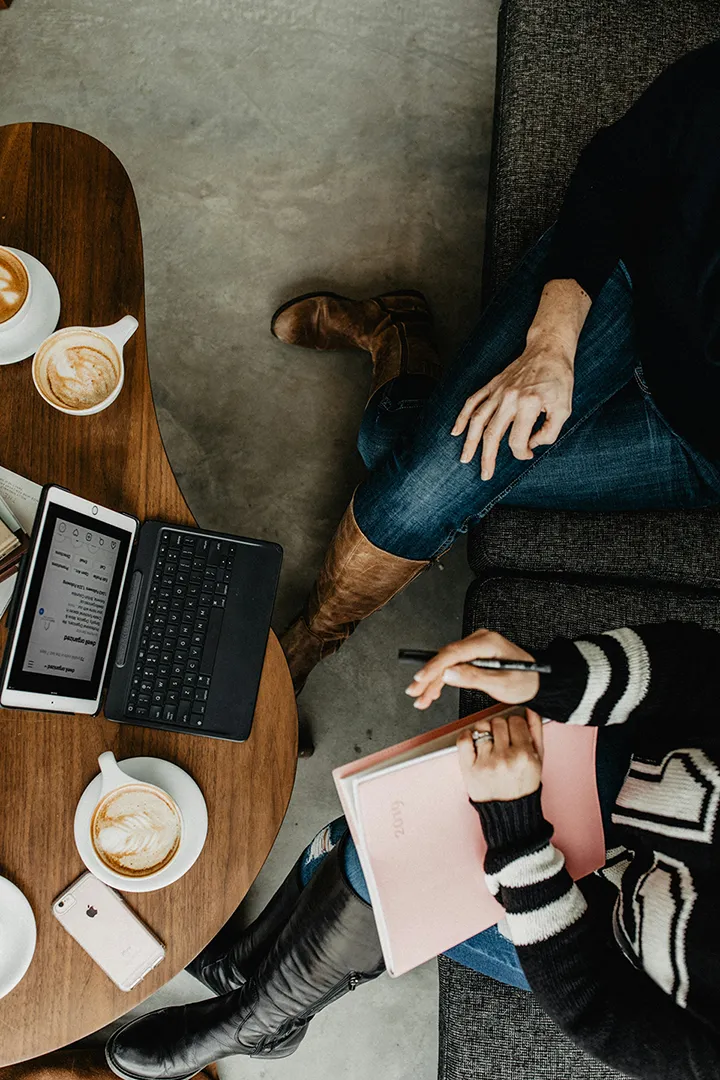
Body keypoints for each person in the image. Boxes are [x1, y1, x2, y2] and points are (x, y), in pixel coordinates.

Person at [276, 39, 720, 695]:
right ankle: (309, 638)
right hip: (626, 280)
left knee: (392, 447)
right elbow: (618, 169)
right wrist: (552, 338)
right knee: (414, 487)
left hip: (696, 443)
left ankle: (397, 332)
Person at [105, 620, 720, 1080]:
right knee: (383, 817)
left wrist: (517, 829)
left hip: (614, 949)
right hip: (649, 791)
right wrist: (548, 677)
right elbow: (701, 669)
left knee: (378, 862)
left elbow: (601, 1013)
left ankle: (254, 1022)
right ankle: (247, 973)